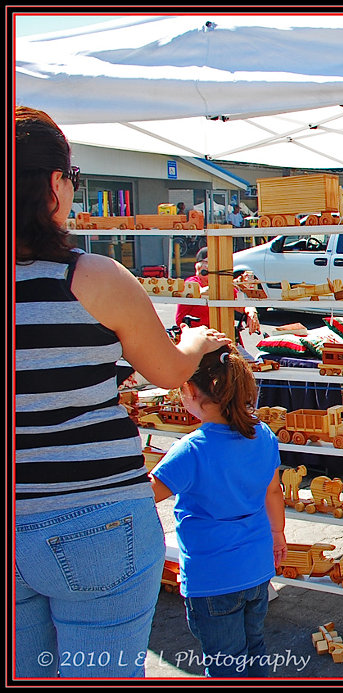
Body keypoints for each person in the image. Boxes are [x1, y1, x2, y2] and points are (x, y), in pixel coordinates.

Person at [14, 106, 231, 678]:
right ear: (54, 184)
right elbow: (165, 371)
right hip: (96, 514)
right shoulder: (93, 278)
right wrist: (196, 342)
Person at [149, 345, 287, 677]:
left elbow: (146, 495)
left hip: (212, 577)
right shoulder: (263, 435)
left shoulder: (191, 449)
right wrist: (278, 536)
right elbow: (272, 491)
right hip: (256, 568)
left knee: (225, 664)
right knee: (255, 649)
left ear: (190, 390)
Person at [174, 246, 260, 338]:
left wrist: (251, 311)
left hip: (220, 333)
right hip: (198, 335)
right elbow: (204, 292)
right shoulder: (191, 283)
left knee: (239, 351)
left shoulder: (219, 283)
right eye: (207, 263)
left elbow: (238, 302)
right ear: (199, 267)